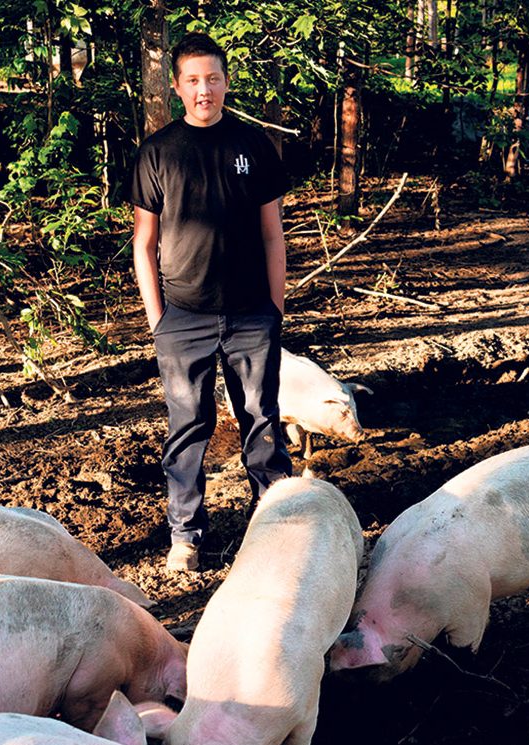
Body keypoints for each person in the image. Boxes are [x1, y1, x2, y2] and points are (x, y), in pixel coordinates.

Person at [128, 32, 293, 572]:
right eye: (193, 81)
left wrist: (274, 310)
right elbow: (144, 244)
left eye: (214, 79)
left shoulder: (254, 147)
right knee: (188, 427)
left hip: (252, 317)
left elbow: (274, 235)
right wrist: (159, 321)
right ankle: (187, 535)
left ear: (227, 82)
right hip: (184, 318)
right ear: (177, 87)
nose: (205, 90)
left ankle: (277, 524)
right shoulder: (158, 153)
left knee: (261, 420)